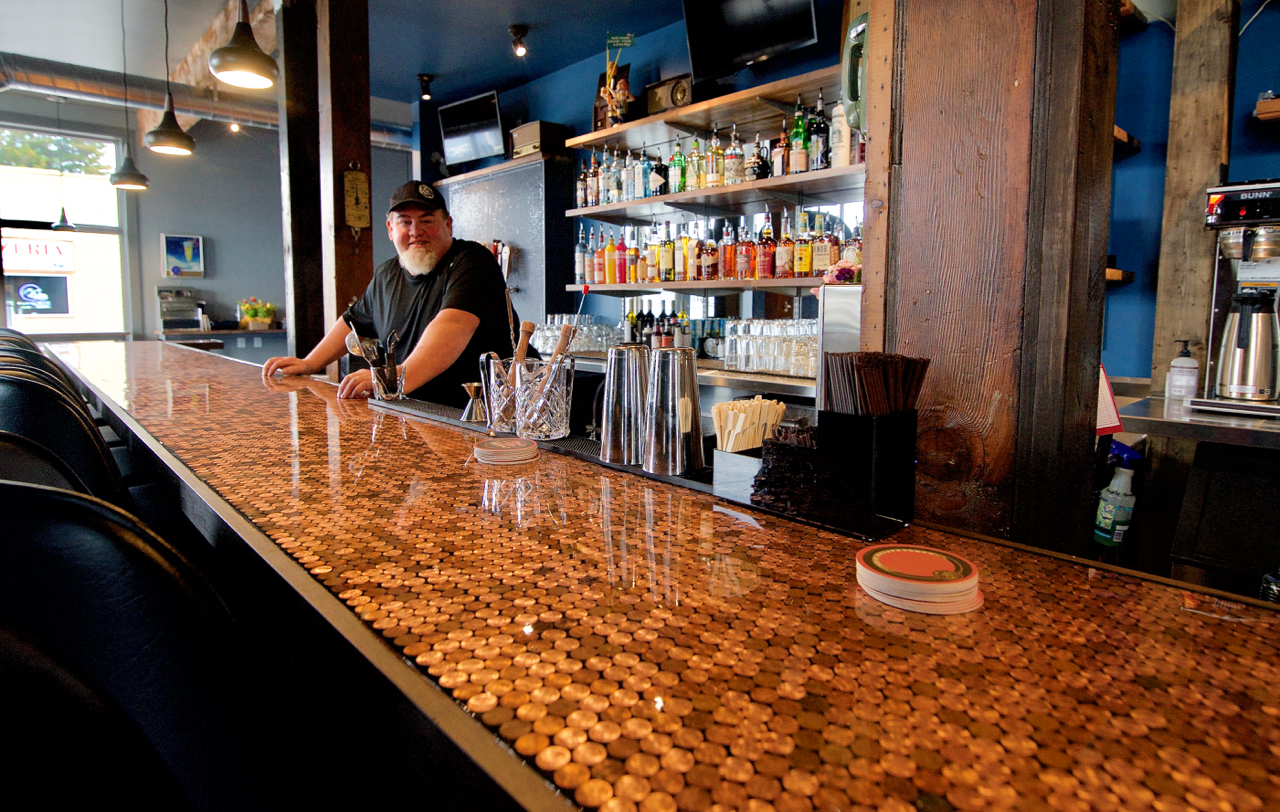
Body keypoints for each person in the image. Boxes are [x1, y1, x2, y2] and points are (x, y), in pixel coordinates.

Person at [264, 180, 522, 408]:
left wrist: (397, 377)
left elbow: (453, 327)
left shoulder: (473, 261)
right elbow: (352, 323)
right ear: (390, 229)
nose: (415, 230)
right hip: (417, 412)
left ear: (448, 224)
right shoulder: (387, 275)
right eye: (405, 222)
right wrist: (310, 364)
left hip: (481, 416)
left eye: (427, 220)